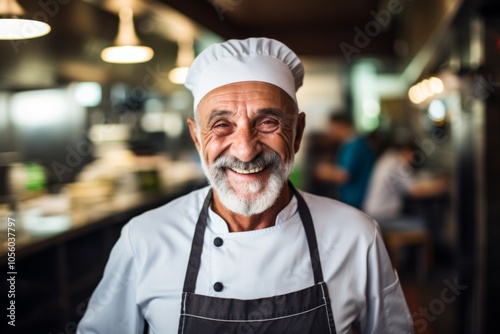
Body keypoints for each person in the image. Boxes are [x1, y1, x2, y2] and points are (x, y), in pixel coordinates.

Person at [77, 38, 413, 333]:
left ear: (296, 133)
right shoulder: (145, 240)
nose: (246, 149)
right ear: (197, 138)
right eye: (222, 125)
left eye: (268, 122)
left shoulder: (356, 236)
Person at [363, 142, 448, 222]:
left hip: (373, 211)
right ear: (407, 152)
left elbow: (411, 181)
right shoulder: (397, 164)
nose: (412, 162)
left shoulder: (390, 157)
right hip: (382, 215)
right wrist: (439, 186)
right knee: (421, 223)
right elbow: (416, 191)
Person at [315, 114, 376, 208]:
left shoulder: (355, 145)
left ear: (339, 125)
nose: (330, 131)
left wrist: (325, 171)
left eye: (331, 128)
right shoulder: (349, 144)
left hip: (356, 201)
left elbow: (344, 175)